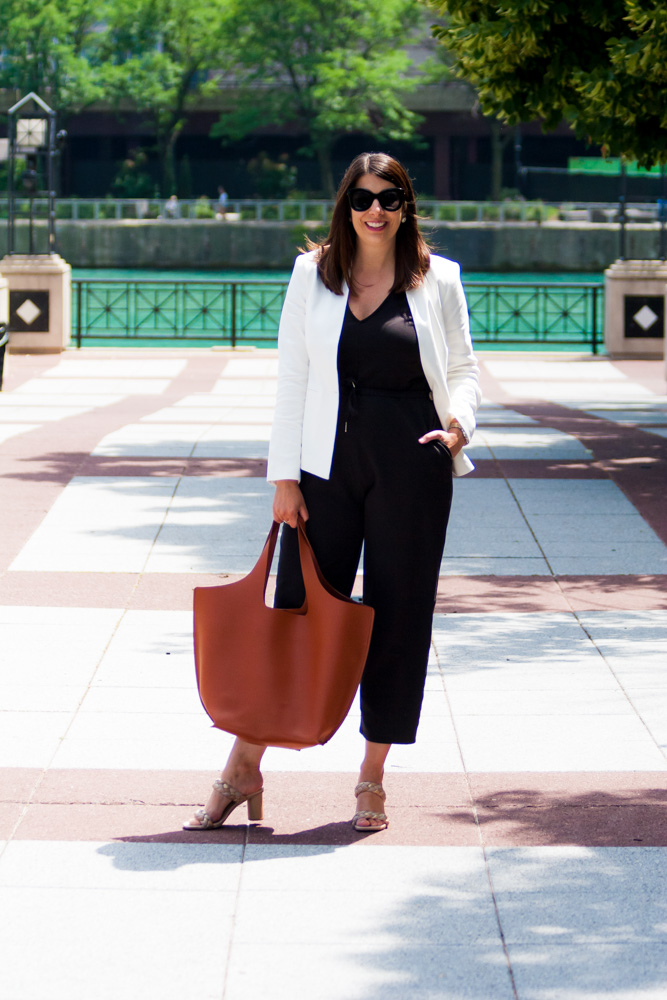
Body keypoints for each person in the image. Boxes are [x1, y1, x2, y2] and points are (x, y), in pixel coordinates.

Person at [184, 152, 481, 834]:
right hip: (324, 467)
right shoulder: (310, 275)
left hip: (413, 461)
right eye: (362, 197)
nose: (375, 209)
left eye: (390, 196)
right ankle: (243, 765)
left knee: (399, 616)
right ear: (344, 205)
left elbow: (462, 366)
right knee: (296, 609)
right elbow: (291, 376)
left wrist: (459, 425)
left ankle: (371, 778)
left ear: (406, 206)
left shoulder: (438, 279)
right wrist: (282, 477)